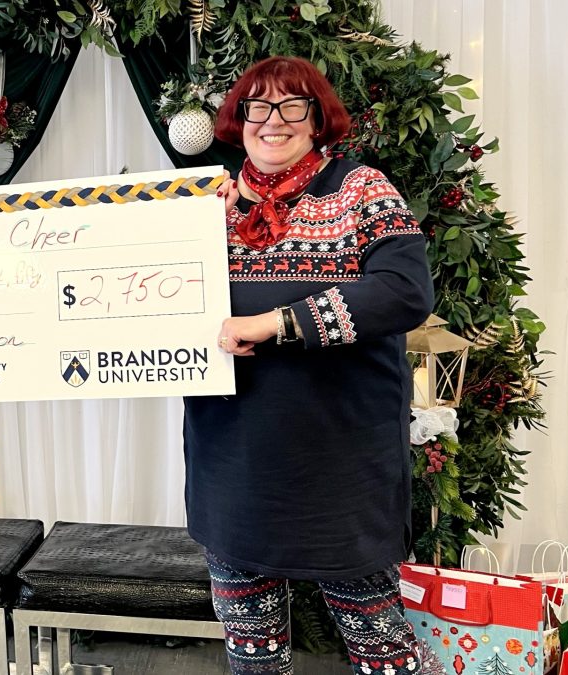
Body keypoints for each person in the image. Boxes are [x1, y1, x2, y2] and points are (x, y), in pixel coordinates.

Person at [184, 56, 444, 675]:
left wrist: (279, 323)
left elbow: (406, 292)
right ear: (239, 118)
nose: (274, 121)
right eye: (259, 106)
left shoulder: (361, 189)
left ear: (317, 118)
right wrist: (191, 232)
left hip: (339, 464)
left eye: (292, 105)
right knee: (252, 653)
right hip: (233, 459)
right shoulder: (205, 204)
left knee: (382, 646)